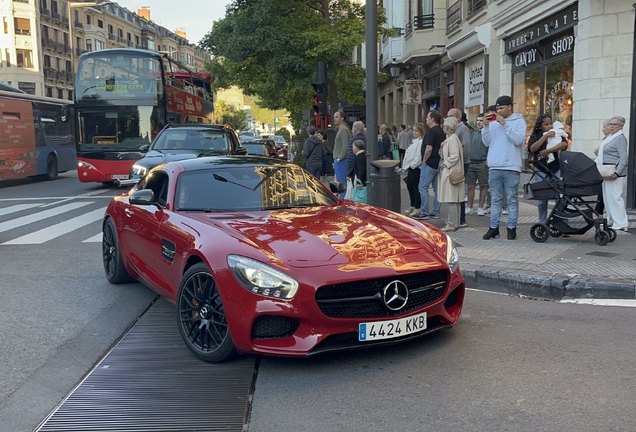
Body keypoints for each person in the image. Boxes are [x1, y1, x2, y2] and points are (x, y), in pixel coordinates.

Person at [481, 95, 526, 240]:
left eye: (501, 108)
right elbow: (487, 142)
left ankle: (511, 228)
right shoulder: (494, 123)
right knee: (495, 199)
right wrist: (486, 126)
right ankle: (494, 228)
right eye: (497, 108)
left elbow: (518, 140)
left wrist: (505, 124)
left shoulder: (519, 121)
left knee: (512, 198)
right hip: (495, 166)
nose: (498, 111)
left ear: (509, 107)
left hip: (512, 166)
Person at [527, 114, 568, 225]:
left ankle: (561, 221)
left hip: (556, 167)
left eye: (550, 123)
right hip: (541, 168)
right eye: (546, 124)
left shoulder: (556, 132)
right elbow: (532, 148)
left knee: (560, 195)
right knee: (542, 196)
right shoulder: (536, 135)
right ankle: (542, 222)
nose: (549, 126)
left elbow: (564, 144)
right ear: (540, 126)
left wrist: (548, 151)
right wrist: (545, 136)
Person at [596, 116, 629, 231]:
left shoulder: (620, 138)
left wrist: (618, 172)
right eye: (610, 124)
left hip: (614, 171)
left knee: (615, 197)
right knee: (607, 197)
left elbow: (624, 157)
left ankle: (621, 223)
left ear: (621, 126)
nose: (611, 126)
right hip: (606, 171)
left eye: (614, 124)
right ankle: (611, 220)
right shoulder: (610, 137)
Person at [414, 111, 444, 220]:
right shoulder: (441, 131)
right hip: (438, 163)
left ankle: (425, 211)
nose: (426, 119)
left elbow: (429, 148)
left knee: (423, 187)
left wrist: (424, 161)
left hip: (430, 163)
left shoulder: (431, 131)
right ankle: (436, 211)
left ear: (432, 119)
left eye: (427, 117)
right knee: (437, 189)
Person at [438, 117, 465, 232]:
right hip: (452, 170)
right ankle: (454, 222)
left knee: (452, 198)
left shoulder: (452, 139)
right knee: (453, 199)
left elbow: (454, 156)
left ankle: (452, 223)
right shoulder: (451, 139)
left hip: (451, 172)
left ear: (448, 127)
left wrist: (445, 164)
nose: (443, 127)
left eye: (444, 125)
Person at [448, 108, 471, 227]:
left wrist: (461, 162)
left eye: (450, 116)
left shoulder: (463, 129)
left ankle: (461, 218)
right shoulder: (455, 129)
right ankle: (457, 218)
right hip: (457, 163)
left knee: (459, 190)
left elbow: (466, 147)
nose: (447, 118)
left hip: (461, 164)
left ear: (458, 117)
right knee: (455, 191)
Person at [466, 113, 489, 216]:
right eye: (478, 120)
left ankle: (480, 207)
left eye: (481, 120)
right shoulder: (473, 133)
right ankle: (470, 207)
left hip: (482, 162)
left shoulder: (487, 133)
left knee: (483, 186)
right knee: (470, 185)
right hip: (471, 162)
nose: (479, 122)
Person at [402, 124, 424, 216]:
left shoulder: (420, 142)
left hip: (416, 167)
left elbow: (419, 156)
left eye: (416, 131)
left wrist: (413, 165)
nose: (414, 132)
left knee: (415, 187)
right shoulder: (414, 141)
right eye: (413, 130)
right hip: (410, 167)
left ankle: (417, 206)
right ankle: (413, 204)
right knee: (410, 186)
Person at [593, 119, 612, 214]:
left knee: (603, 189)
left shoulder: (610, 139)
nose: (602, 129)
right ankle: (598, 210)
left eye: (604, 127)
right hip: (601, 166)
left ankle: (599, 210)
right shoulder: (606, 139)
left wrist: (597, 151)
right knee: (602, 189)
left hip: (607, 168)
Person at [332, 111, 351, 197]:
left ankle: (344, 200)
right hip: (339, 159)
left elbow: (345, 146)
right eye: (334, 117)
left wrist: (339, 158)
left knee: (342, 183)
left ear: (342, 118)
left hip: (341, 160)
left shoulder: (343, 130)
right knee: (340, 182)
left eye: (337, 117)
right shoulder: (341, 129)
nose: (334, 119)